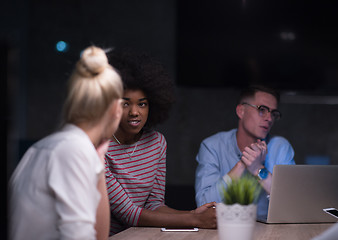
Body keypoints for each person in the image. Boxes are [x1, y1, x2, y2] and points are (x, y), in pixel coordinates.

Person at [9, 46, 124, 240]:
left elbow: (99, 236)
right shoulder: (73, 151)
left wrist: (100, 160)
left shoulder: (55, 146)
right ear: (115, 109)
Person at [104, 50, 217, 235]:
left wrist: (193, 213)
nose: (134, 112)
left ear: (153, 105)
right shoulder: (99, 148)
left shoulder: (157, 142)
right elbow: (128, 214)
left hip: (141, 236)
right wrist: (195, 219)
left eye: (142, 104)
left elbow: (154, 204)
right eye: (126, 104)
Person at [195, 85, 295, 218]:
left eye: (273, 113)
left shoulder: (280, 146)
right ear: (241, 111)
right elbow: (203, 206)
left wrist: (258, 169)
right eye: (262, 109)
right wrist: (242, 165)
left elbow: (292, 206)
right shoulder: (212, 146)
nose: (269, 118)